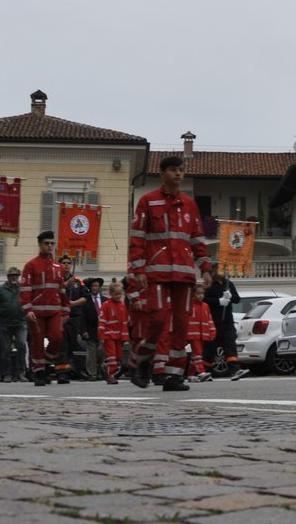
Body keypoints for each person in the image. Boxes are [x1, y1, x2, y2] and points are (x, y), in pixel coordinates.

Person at [128, 155, 215, 392]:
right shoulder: (148, 201)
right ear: (162, 174)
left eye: (181, 170)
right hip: (156, 273)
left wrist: (206, 268)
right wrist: (137, 268)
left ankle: (174, 376)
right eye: (173, 170)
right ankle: (141, 360)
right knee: (156, 319)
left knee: (181, 325)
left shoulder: (189, 203)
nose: (178, 174)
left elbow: (197, 239)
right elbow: (137, 238)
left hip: (184, 275)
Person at [21, 232, 70, 386]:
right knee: (37, 341)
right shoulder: (31, 265)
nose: (49, 246)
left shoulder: (57, 266)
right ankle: (39, 372)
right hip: (36, 311)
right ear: (40, 245)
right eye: (46, 243)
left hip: (55, 310)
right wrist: (27, 309)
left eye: (51, 243)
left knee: (57, 337)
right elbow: (25, 289)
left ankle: (47, 364)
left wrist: (66, 309)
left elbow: (61, 290)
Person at [200, 266, 247, 380]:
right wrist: (218, 301)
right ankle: (206, 372)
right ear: (214, 271)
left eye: (224, 270)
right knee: (210, 349)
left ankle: (235, 370)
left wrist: (230, 297)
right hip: (213, 322)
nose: (222, 272)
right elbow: (203, 299)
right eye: (219, 270)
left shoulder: (228, 284)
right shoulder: (209, 284)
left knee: (230, 345)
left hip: (227, 321)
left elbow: (237, 299)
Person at [0, 267, 29, 381]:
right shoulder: (0, 290)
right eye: (12, 275)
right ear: (8, 277)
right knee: (5, 350)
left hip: (21, 322)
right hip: (5, 323)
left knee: (22, 346)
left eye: (16, 275)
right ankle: (7, 373)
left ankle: (20, 372)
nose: (14, 277)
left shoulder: (23, 289)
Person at [98, 281, 130, 384]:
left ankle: (108, 370)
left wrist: (125, 338)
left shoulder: (122, 306)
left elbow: (124, 322)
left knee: (119, 357)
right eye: (116, 294)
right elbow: (102, 321)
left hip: (118, 337)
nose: (118, 296)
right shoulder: (106, 305)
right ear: (111, 294)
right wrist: (101, 335)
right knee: (112, 357)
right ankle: (110, 375)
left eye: (120, 294)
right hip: (109, 335)